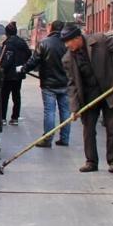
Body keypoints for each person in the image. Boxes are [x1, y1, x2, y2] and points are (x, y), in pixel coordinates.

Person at [61, 24, 113, 173]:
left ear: (77, 38)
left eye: (69, 41)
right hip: (88, 98)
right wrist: (75, 108)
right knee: (88, 131)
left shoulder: (99, 41)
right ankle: (91, 162)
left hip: (110, 93)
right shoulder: (67, 59)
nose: (67, 45)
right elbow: (72, 85)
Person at [20, 19, 71, 148]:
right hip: (65, 84)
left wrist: (23, 69)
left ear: (51, 28)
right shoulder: (68, 43)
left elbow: (34, 61)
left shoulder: (44, 43)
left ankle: (47, 139)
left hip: (48, 85)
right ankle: (64, 139)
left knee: (50, 112)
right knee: (65, 111)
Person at [0, 21, 31, 126]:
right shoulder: (22, 42)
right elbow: (29, 53)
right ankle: (15, 118)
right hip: (18, 74)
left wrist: (1, 68)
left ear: (7, 33)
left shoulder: (8, 44)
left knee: (4, 96)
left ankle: (2, 118)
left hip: (8, 75)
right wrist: (22, 64)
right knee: (16, 96)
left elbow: (7, 60)